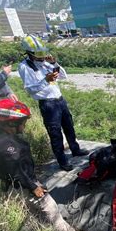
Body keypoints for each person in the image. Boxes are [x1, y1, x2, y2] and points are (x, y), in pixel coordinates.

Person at [0, 99, 77, 231]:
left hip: (12, 185)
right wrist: (33, 186)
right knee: (50, 208)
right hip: (23, 185)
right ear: (11, 123)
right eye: (23, 122)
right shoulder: (7, 145)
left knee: (33, 212)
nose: (24, 126)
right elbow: (14, 169)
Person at [18, 34, 87, 172]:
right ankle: (62, 161)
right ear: (29, 53)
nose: (42, 56)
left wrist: (54, 64)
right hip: (48, 104)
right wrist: (45, 80)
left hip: (60, 100)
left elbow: (63, 76)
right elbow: (30, 89)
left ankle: (75, 149)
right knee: (55, 134)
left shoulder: (44, 62)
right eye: (38, 54)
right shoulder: (25, 67)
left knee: (69, 126)